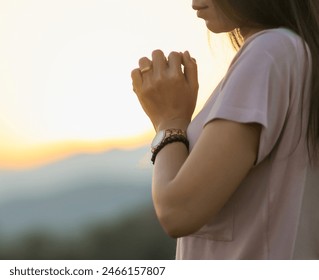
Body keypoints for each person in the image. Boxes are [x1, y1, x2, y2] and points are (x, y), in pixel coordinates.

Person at [131, 0, 319, 259]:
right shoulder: (291, 53)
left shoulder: (269, 51)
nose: (195, 2)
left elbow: (178, 212)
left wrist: (169, 121)